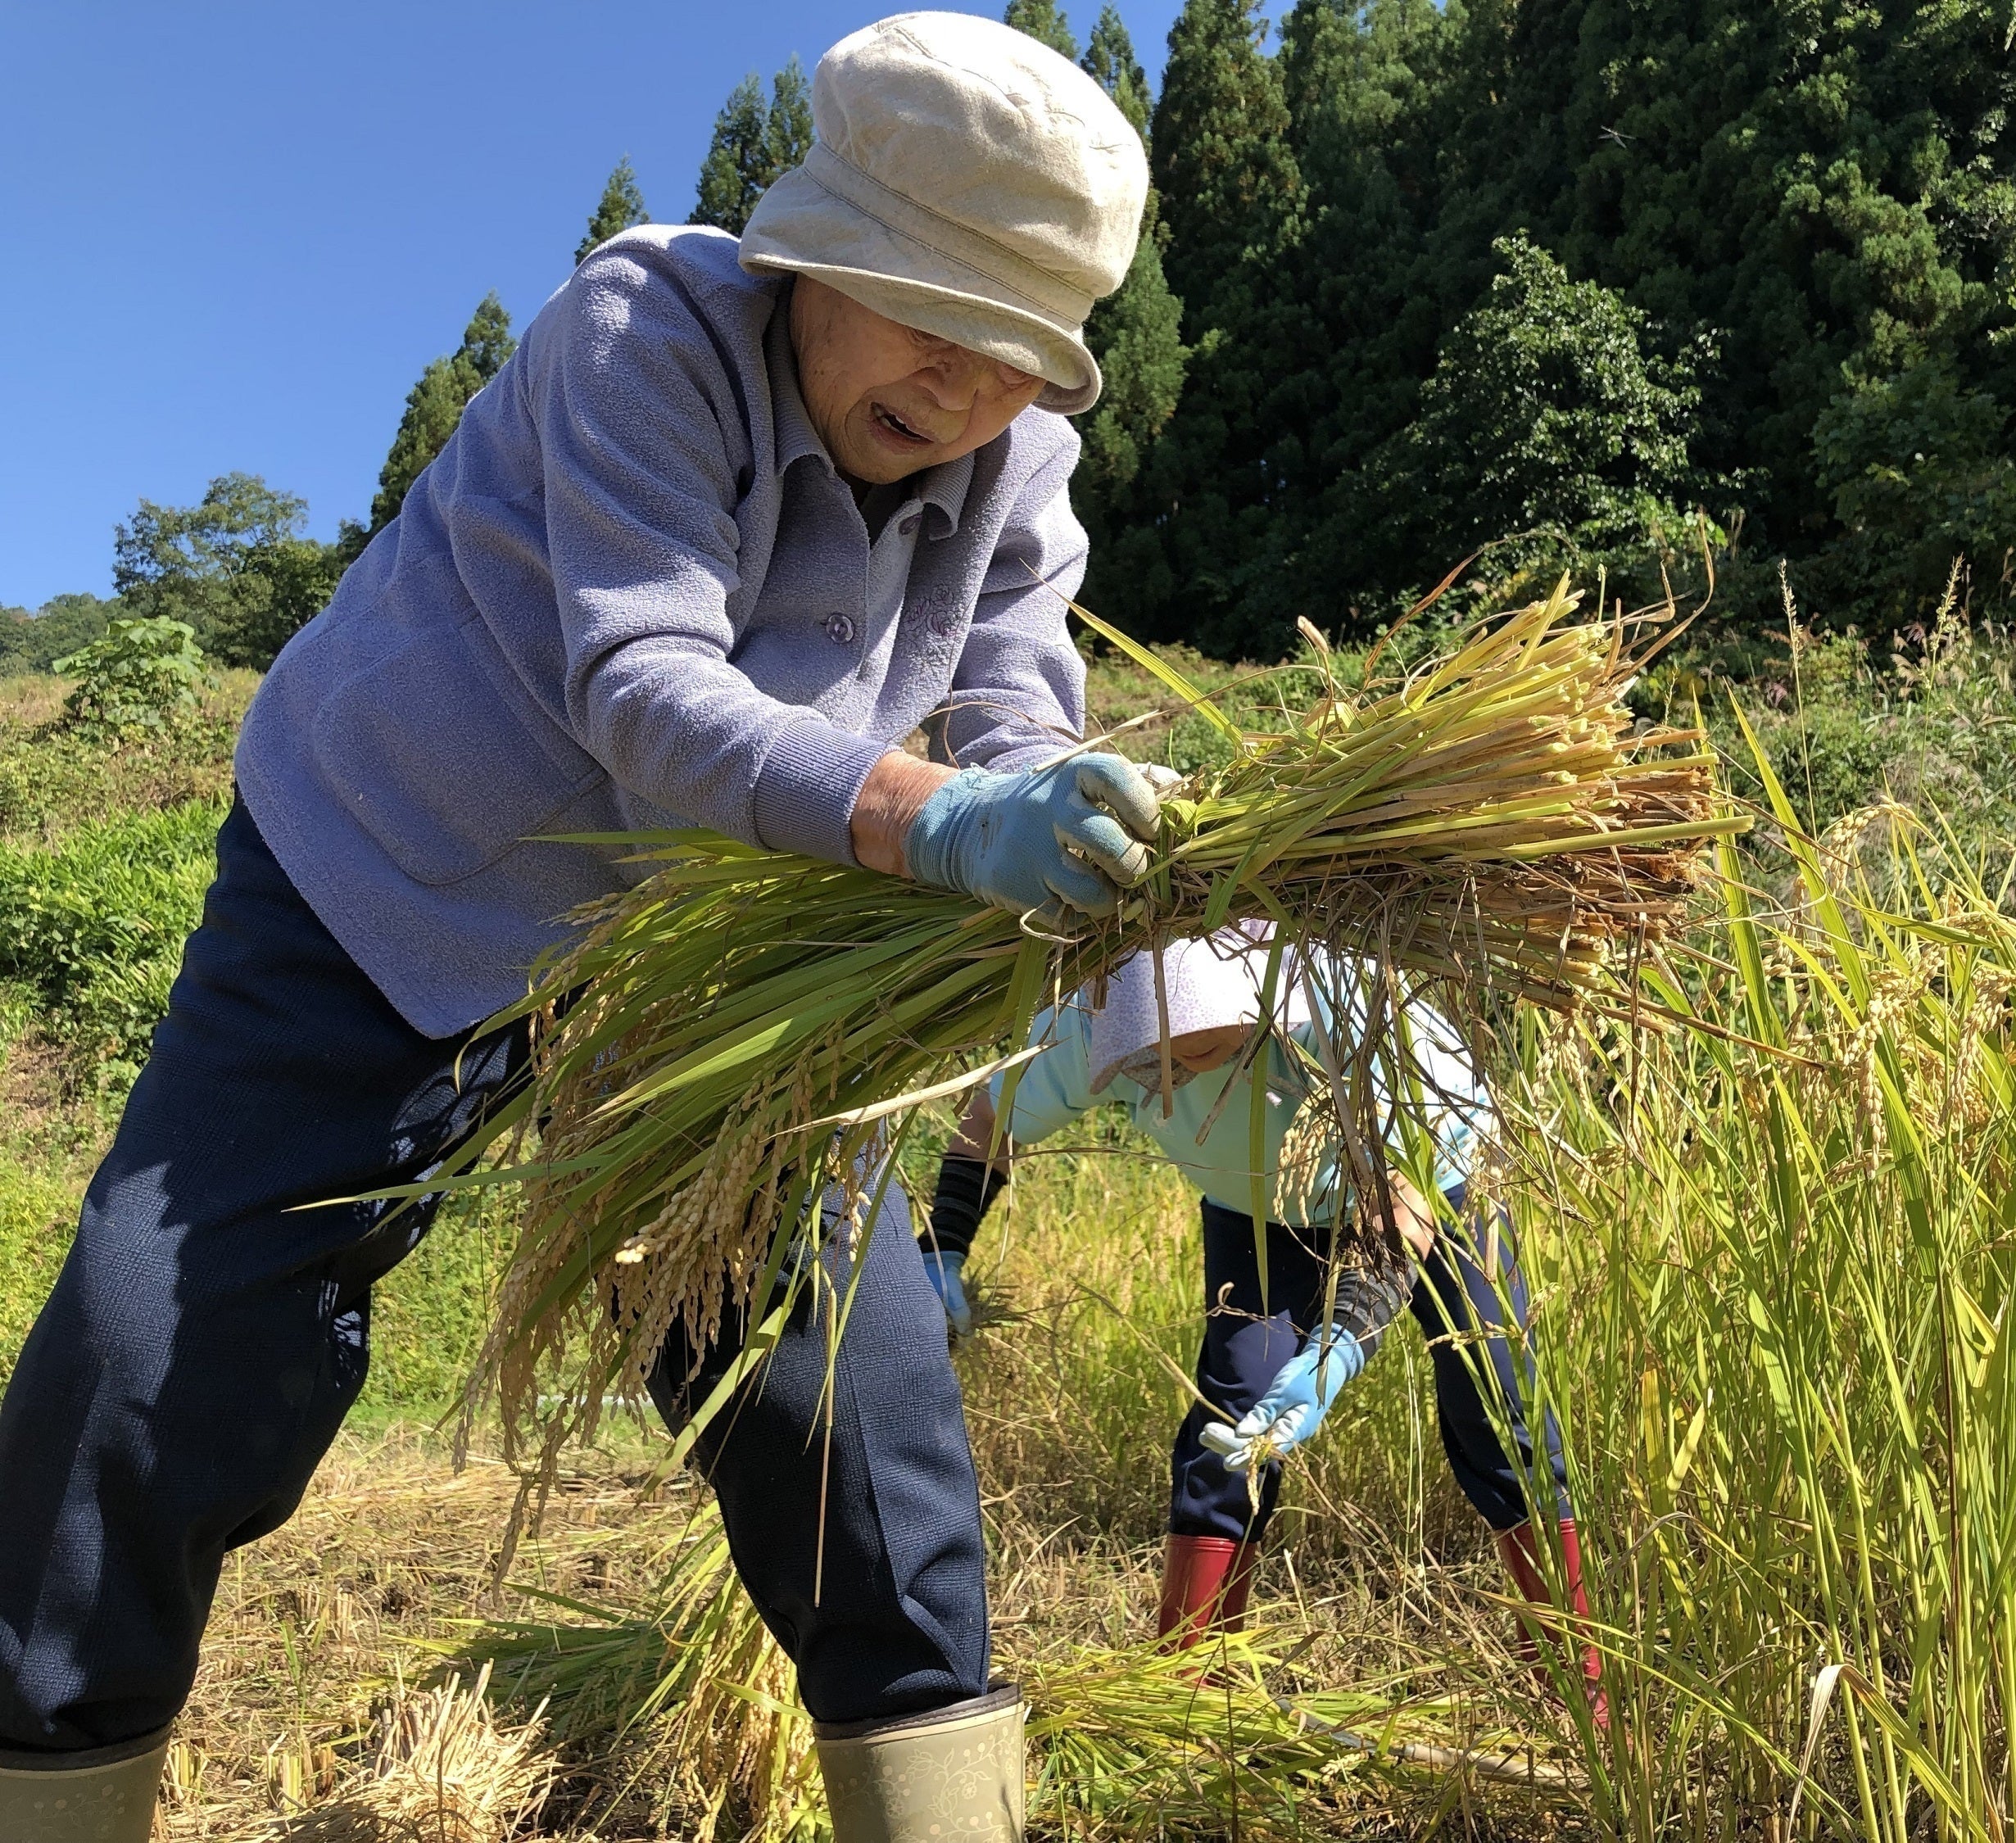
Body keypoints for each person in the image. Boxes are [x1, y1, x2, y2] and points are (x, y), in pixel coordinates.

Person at [0, 16, 1157, 1842]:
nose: (965, 381)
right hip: (392, 872)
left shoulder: (1015, 471)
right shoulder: (648, 330)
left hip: (699, 946)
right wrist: (940, 818)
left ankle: (942, 1805)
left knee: (844, 1379)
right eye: (929, 311)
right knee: (162, 1349)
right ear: (811, 256)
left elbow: (1018, 699)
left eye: (1018, 350)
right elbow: (644, 688)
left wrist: (1067, 818)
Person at [917, 932, 1605, 1693]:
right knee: (1231, 1422)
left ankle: (1577, 1686)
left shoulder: (1348, 1012)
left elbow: (1400, 1222)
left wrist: (1337, 1352)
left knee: (1497, 1402)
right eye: (1152, 1063)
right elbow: (990, 1120)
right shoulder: (1098, 1014)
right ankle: (1191, 1696)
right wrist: (943, 1246)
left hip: (1432, 1191)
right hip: (1258, 1208)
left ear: (1256, 1016)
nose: (1170, 1083)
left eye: (1197, 1056)